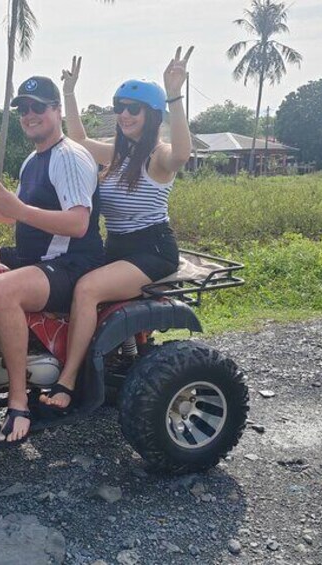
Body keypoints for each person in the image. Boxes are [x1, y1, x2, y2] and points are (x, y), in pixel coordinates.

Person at [39, 46, 194, 412]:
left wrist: (174, 95)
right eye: (119, 107)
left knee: (88, 289)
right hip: (116, 247)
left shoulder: (158, 155)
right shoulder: (116, 154)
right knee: (61, 276)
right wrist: (70, 93)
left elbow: (183, 155)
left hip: (151, 250)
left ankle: (68, 381)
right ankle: (88, 359)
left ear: (150, 114)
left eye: (133, 108)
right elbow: (76, 141)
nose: (124, 114)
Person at [0, 75, 104, 446]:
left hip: (70, 264)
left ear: (57, 110)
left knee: (1, 289)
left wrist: (19, 208)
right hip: (33, 257)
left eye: (38, 107)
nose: (29, 115)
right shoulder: (33, 160)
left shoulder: (69, 157)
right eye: (23, 109)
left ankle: (18, 402)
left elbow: (78, 222)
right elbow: (13, 214)